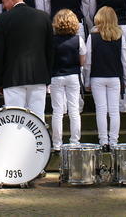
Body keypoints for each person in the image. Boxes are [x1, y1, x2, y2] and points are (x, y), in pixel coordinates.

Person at [0, 0, 53, 121]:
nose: (3, 6)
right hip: (38, 77)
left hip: (12, 78)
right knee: (38, 121)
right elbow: (50, 50)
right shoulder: (43, 17)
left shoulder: (3, 19)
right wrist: (47, 76)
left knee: (15, 121)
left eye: (4, 2)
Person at [89, 0, 126, 111]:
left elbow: (92, 10)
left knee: (103, 60)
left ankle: (103, 102)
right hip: (122, 25)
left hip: (102, 26)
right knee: (123, 61)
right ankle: (123, 102)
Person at [84, 6, 126, 151]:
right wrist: (125, 79)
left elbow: (88, 61)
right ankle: (114, 141)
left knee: (101, 110)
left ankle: (103, 141)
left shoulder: (93, 37)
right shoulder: (119, 36)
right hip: (115, 76)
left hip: (97, 76)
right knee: (114, 110)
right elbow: (124, 60)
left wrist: (87, 80)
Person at [50, 9, 86, 152]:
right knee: (74, 110)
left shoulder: (52, 40)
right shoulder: (78, 39)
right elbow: (83, 61)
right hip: (73, 75)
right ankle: (74, 141)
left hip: (56, 75)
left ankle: (57, 143)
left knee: (57, 111)